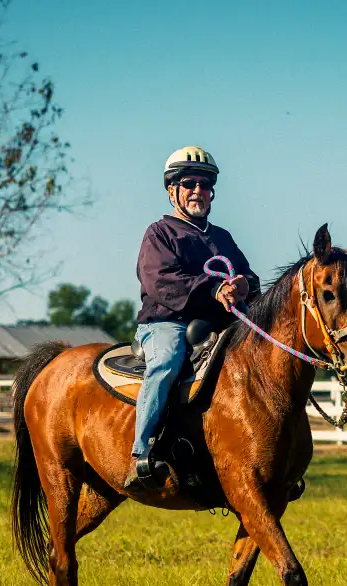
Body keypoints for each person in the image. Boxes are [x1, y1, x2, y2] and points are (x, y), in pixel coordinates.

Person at [126, 146, 260, 490]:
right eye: (189, 184)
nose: (197, 191)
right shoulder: (159, 233)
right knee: (168, 362)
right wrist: (213, 290)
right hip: (165, 322)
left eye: (204, 184)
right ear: (173, 190)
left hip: (217, 324)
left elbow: (248, 277)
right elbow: (159, 281)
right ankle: (142, 453)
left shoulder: (222, 238)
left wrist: (244, 285)